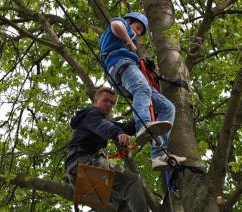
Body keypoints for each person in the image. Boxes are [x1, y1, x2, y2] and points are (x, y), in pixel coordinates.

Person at [99, 12, 186, 170]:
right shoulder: (123, 24)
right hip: (120, 64)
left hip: (129, 70)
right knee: (142, 88)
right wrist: (129, 41)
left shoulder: (128, 40)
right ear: (129, 20)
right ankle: (143, 126)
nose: (137, 33)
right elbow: (115, 25)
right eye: (137, 28)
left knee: (167, 108)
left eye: (139, 31)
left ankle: (159, 155)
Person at [65, 87, 149, 211]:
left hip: (77, 174)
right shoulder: (91, 113)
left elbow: (126, 128)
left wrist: (146, 117)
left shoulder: (100, 119)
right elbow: (104, 127)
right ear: (95, 100)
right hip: (84, 163)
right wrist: (118, 134)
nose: (109, 104)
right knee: (132, 181)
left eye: (112, 102)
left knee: (122, 204)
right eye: (106, 100)